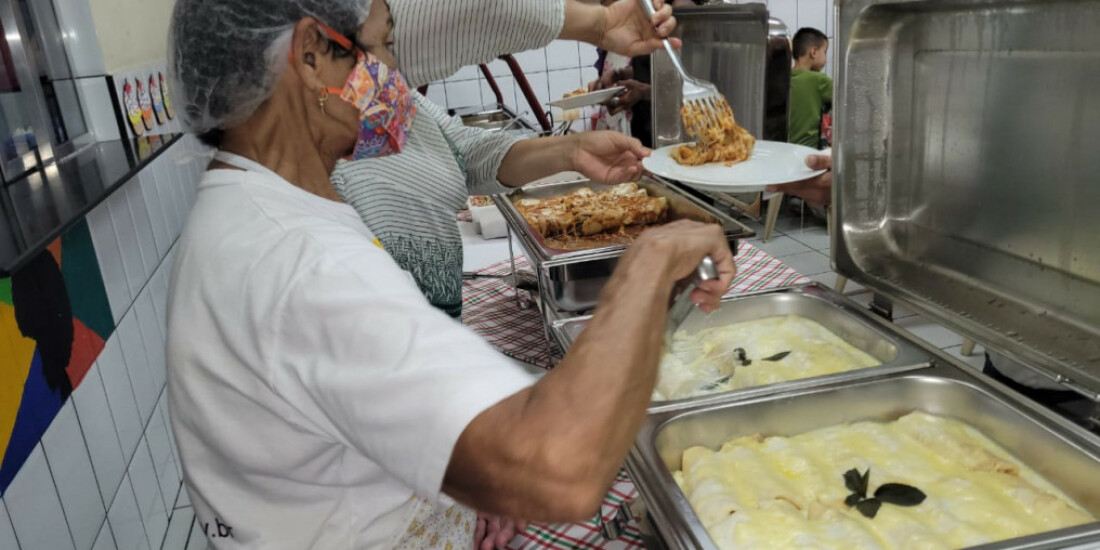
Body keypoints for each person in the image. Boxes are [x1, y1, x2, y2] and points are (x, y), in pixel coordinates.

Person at [167, 1, 736, 550]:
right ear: (312, 54)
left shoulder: (253, 206)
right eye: (381, 44)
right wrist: (650, 263)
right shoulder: (303, 263)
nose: (391, 72)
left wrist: (463, 471)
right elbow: (560, 467)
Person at [333, 0, 683, 318]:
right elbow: (460, 15)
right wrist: (598, 23)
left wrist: (572, 151)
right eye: (384, 45)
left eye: (391, 45)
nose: (395, 64)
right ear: (309, 55)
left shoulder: (389, 100)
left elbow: (466, 151)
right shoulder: (312, 195)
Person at [788, 27, 832, 149]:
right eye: (825, 51)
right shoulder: (819, 81)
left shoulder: (784, 78)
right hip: (807, 151)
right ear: (813, 52)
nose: (826, 59)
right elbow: (848, 98)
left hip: (783, 150)